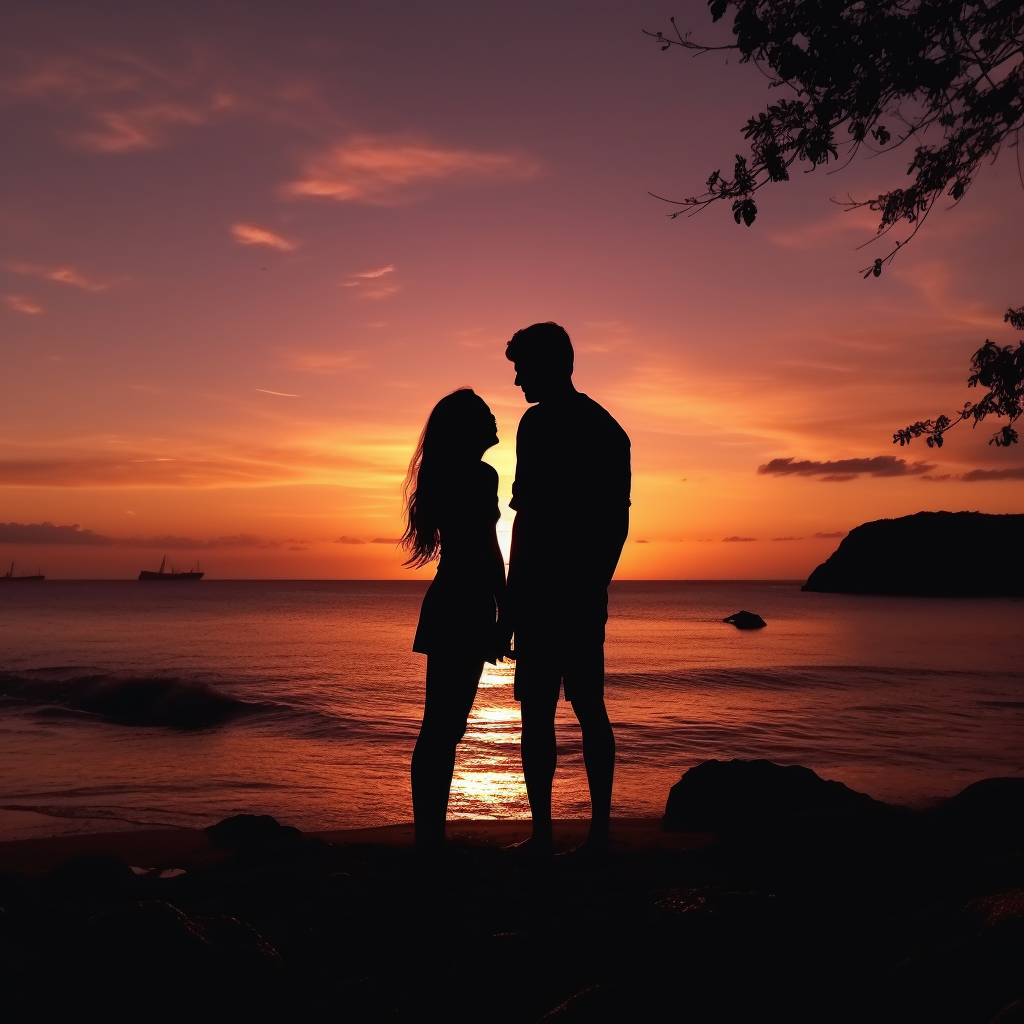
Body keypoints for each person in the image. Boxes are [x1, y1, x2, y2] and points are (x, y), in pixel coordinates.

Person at [503, 322, 631, 857]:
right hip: (563, 593)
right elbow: (611, 526)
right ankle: (570, 833)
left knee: (562, 711)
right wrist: (590, 585)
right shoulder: (605, 428)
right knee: (573, 710)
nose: (516, 381)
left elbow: (532, 521)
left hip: (554, 593)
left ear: (550, 364)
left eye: (521, 369)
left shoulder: (548, 426)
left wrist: (519, 599)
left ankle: (570, 834)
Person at [403, 388, 506, 853]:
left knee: (440, 728)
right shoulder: (479, 476)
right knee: (445, 727)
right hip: (465, 601)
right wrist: (506, 609)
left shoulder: (445, 474)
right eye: (485, 414)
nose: (494, 419)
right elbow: (487, 548)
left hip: (450, 599)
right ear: (468, 428)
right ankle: (430, 840)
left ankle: (429, 836)